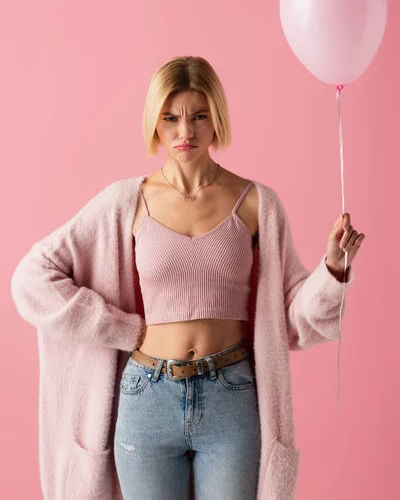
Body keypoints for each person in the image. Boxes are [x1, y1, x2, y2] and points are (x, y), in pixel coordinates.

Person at [11, 56, 364, 500]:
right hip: (147, 398)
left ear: (216, 118)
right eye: (171, 117)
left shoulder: (258, 204)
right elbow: (31, 280)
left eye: (199, 116)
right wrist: (120, 328)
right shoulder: (126, 202)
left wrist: (334, 268)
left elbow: (292, 319)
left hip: (231, 396)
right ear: (155, 123)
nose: (185, 131)